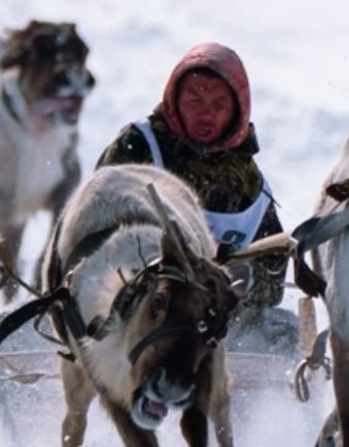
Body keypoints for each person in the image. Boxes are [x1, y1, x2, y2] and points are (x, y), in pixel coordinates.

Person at [97, 42, 288, 325]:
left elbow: (270, 284)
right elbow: (94, 229)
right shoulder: (139, 147)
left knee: (282, 329)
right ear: (175, 99)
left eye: (219, 104)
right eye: (195, 100)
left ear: (238, 110)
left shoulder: (251, 189)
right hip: (137, 312)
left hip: (218, 325)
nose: (206, 114)